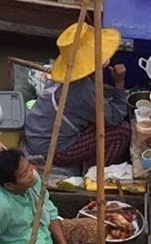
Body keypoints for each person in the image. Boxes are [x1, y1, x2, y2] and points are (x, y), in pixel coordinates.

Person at [20, 25, 130, 172]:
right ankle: (93, 172)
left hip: (37, 132)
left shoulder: (67, 74)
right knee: (122, 131)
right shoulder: (81, 90)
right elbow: (115, 117)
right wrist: (119, 83)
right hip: (50, 149)